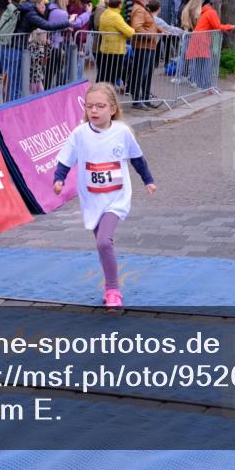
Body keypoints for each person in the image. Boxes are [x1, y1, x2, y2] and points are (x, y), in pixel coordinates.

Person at [53, 82, 155, 310]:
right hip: (92, 198)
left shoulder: (122, 132)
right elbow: (65, 159)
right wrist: (58, 179)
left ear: (112, 108)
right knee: (103, 245)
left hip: (116, 197)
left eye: (100, 106)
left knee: (103, 241)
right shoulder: (79, 134)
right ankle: (110, 286)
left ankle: (112, 290)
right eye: (90, 106)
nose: (94, 111)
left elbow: (137, 158)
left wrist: (148, 180)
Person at [129, 0, 167, 109]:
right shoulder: (139, 10)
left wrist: (160, 30)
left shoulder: (143, 8)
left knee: (148, 73)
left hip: (148, 46)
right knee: (141, 73)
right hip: (142, 46)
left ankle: (145, 99)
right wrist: (152, 35)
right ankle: (136, 100)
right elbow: (137, 27)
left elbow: (151, 24)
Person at [185, 1, 233, 90]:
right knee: (207, 63)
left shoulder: (205, 12)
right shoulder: (211, 12)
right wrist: (229, 27)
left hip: (197, 39)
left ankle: (197, 83)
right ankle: (206, 85)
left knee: (200, 63)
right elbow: (217, 26)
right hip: (202, 40)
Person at [97, 0, 135, 86]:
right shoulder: (116, 16)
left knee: (102, 76)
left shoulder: (105, 13)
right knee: (111, 78)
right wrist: (131, 30)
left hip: (105, 49)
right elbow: (130, 32)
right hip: (115, 51)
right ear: (119, 4)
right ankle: (106, 98)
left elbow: (100, 29)